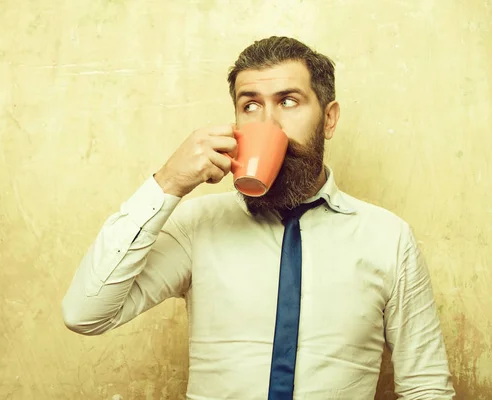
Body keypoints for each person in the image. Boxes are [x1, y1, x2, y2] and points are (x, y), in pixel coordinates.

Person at [62, 36, 455, 399]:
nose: (268, 124)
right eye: (250, 105)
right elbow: (85, 314)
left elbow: (426, 385)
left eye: (288, 101)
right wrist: (167, 184)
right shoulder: (197, 225)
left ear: (329, 118)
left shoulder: (388, 238)